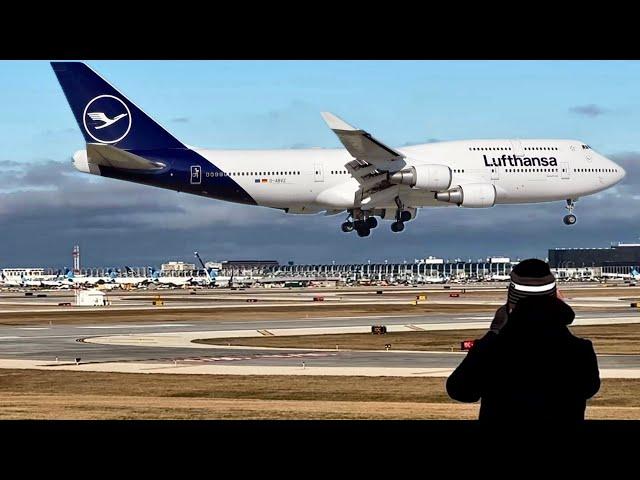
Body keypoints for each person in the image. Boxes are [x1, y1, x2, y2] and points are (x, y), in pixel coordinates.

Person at [446, 258, 600, 423]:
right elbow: (589, 388)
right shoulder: (579, 350)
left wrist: (493, 335)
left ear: (512, 301)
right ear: (554, 296)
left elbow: (460, 390)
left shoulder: (496, 349)